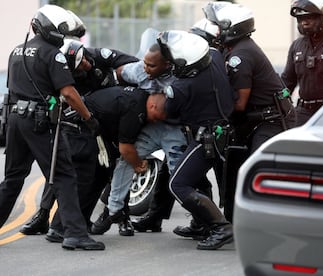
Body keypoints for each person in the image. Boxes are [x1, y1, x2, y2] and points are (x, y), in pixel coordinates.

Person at [0, 5, 104, 250]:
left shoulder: (17, 51)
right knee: (64, 175)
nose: (63, 36)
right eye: (62, 31)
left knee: (13, 177)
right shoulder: (52, 54)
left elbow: (15, 87)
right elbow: (68, 92)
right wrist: (89, 118)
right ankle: (75, 234)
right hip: (39, 122)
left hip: (14, 119)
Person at [19, 39, 139, 237]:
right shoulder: (63, 74)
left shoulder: (100, 55)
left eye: (83, 59)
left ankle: (122, 217)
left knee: (114, 167)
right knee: (63, 165)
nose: (85, 65)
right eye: (79, 67)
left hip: (114, 117)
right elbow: (52, 99)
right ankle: (43, 214)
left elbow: (135, 63)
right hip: (83, 122)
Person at [203, 2, 297, 222]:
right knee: (235, 166)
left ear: (232, 28)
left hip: (270, 121)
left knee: (256, 168)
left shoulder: (241, 55)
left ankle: (267, 223)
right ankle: (235, 222)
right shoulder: (237, 49)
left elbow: (239, 104)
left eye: (219, 26)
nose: (217, 32)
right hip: (254, 120)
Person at [90, 43, 194, 235]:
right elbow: (119, 73)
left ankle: (203, 220)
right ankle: (112, 210)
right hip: (148, 126)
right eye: (145, 63)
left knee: (182, 174)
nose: (146, 68)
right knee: (126, 160)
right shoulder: (139, 69)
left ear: (168, 64)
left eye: (151, 66)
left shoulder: (182, 77)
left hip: (175, 129)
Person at [157, 30, 236, 250]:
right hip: (222, 130)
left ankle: (220, 227)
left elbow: (168, 112)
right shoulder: (214, 58)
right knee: (197, 179)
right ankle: (202, 224)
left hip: (206, 138)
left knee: (178, 184)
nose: (171, 63)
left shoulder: (181, 88)